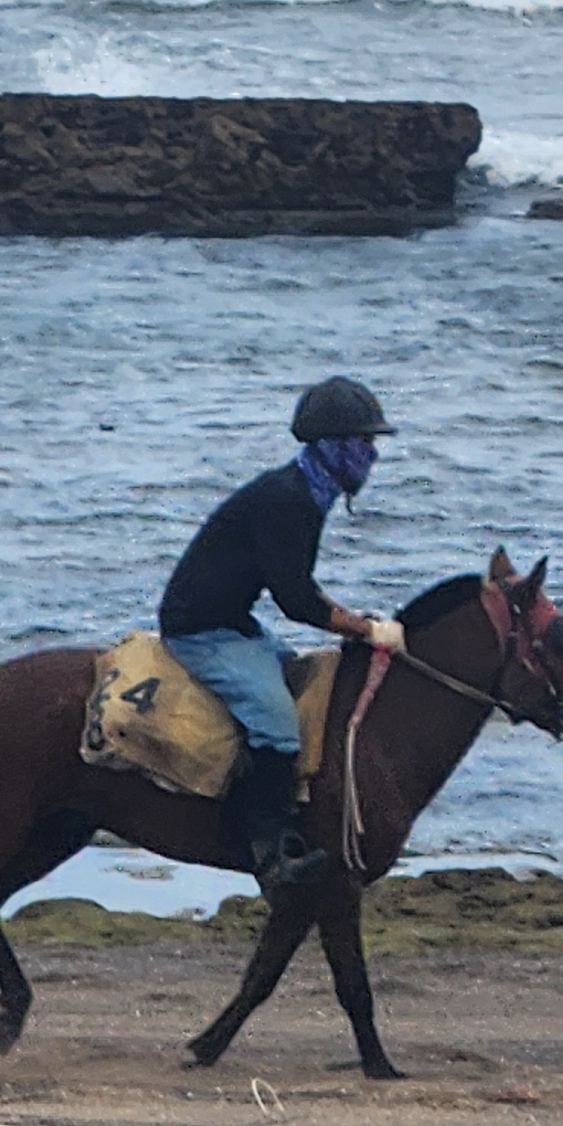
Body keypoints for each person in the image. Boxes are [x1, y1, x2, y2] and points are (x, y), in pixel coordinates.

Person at [156, 376, 406, 888]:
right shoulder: (287, 500)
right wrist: (365, 630)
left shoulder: (308, 495)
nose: (372, 456)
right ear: (332, 447)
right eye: (365, 443)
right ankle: (268, 855)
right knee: (276, 721)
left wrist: (357, 623)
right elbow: (295, 601)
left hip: (235, 623)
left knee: (298, 683)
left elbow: (296, 585)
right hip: (201, 630)